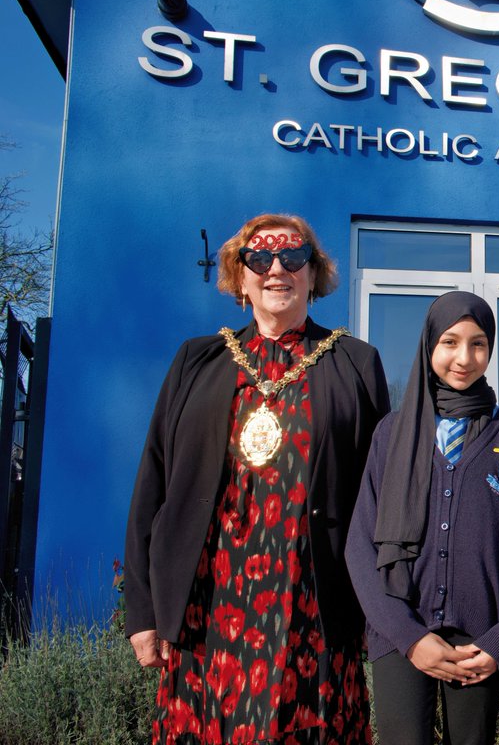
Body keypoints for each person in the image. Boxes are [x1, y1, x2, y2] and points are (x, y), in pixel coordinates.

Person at [124, 214, 389, 744]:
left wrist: (379, 611)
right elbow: (152, 482)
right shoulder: (196, 361)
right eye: (259, 258)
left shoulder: (356, 363)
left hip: (312, 604)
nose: (276, 268)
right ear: (238, 276)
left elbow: (378, 495)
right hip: (210, 602)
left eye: (293, 257)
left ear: (314, 275)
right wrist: (144, 611)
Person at [346, 291, 499, 745]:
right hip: (399, 631)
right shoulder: (392, 432)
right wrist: (409, 637)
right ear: (429, 345)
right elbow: (359, 545)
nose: (464, 358)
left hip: (480, 639)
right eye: (450, 342)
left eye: (478, 344)